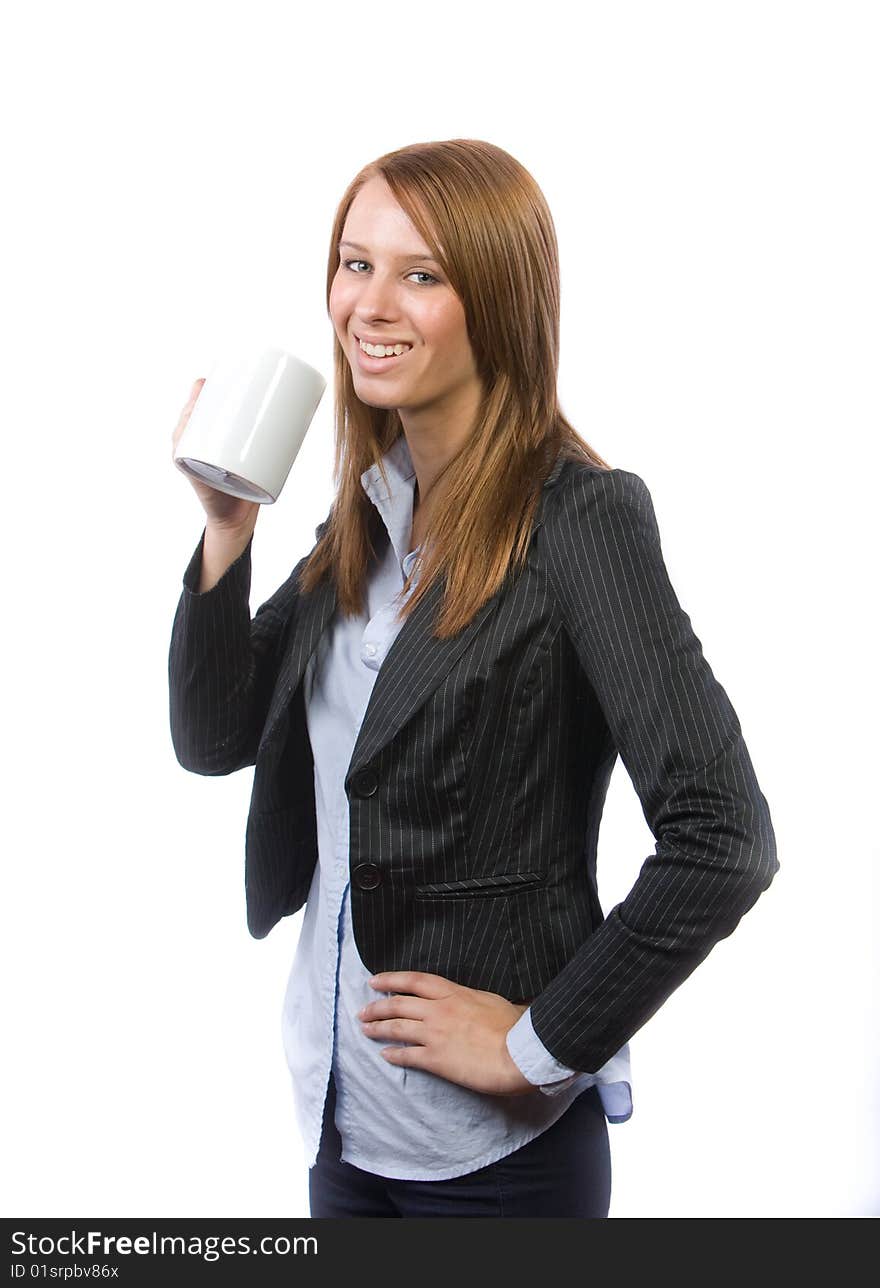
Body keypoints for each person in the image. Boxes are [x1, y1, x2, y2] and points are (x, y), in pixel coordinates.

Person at [168, 138, 779, 1219]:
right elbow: (217, 735)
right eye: (355, 263)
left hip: (492, 1159)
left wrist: (540, 1040)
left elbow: (721, 836)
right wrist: (228, 531)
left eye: (422, 273)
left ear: (497, 301)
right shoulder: (368, 510)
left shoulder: (582, 519)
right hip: (338, 1117)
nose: (369, 303)